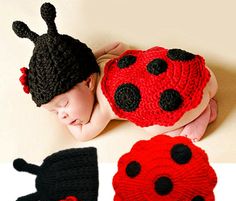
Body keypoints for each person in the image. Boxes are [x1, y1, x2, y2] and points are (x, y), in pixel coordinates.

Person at [13, 3, 218, 142]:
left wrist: (75, 124)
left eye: (64, 104)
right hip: (196, 69)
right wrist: (91, 58)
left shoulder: (104, 107)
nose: (63, 117)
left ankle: (203, 113)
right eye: (55, 112)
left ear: (89, 82)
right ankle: (204, 101)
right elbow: (120, 45)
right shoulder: (104, 62)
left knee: (153, 128)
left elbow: (82, 135)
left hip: (185, 95)